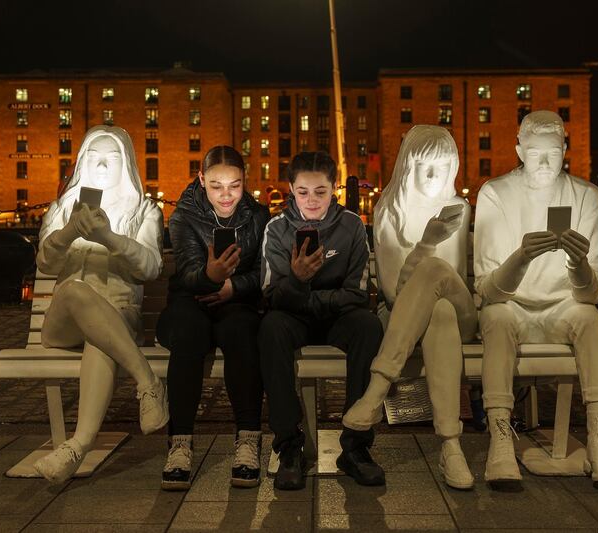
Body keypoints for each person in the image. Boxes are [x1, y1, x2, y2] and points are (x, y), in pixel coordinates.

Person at [474, 110, 598, 486]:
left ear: (565, 150)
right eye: (535, 152)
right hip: (512, 307)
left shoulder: (587, 196)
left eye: (553, 153)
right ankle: (499, 438)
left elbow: (593, 294)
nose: (544, 162)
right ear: (519, 149)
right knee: (495, 319)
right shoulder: (495, 193)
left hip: (564, 307)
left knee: (591, 323)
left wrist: (577, 263)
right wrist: (523, 256)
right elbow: (489, 290)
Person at [342, 125, 478, 489]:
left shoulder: (458, 209)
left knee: (437, 277)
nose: (435, 177)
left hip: (462, 310)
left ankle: (377, 388)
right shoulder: (390, 211)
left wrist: (427, 250)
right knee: (439, 312)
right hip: (415, 317)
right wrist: (427, 242)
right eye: (425, 168)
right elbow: (392, 294)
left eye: (443, 167)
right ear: (407, 167)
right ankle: (451, 446)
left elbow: (457, 281)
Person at [33, 125, 167, 484]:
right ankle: (148, 381)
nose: (102, 167)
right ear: (81, 163)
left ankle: (76, 448)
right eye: (94, 159)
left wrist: (108, 237)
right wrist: (69, 231)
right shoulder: (62, 209)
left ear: (126, 164)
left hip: (117, 318)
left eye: (111, 159)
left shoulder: (144, 211)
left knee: (102, 338)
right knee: (77, 292)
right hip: (64, 322)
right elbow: (45, 263)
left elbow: (151, 266)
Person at [259, 151, 385, 490]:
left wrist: (304, 294)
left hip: (337, 317)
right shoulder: (278, 229)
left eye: (321, 191)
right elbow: (271, 295)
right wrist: (298, 279)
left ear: (335, 190)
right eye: (303, 192)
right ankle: (288, 446)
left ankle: (356, 446)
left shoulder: (351, 226)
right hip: (293, 318)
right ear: (291, 189)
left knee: (368, 326)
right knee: (270, 328)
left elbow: (358, 293)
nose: (312, 200)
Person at [156, 146, 270, 490]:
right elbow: (188, 273)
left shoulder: (258, 215)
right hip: (190, 301)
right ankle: (180, 444)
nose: (226, 195)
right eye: (217, 185)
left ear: (244, 181)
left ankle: (248, 441)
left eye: (234, 185)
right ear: (202, 179)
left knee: (242, 329)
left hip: (237, 301)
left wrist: (234, 286)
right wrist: (210, 274)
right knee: (189, 333)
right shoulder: (184, 214)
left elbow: (265, 273)